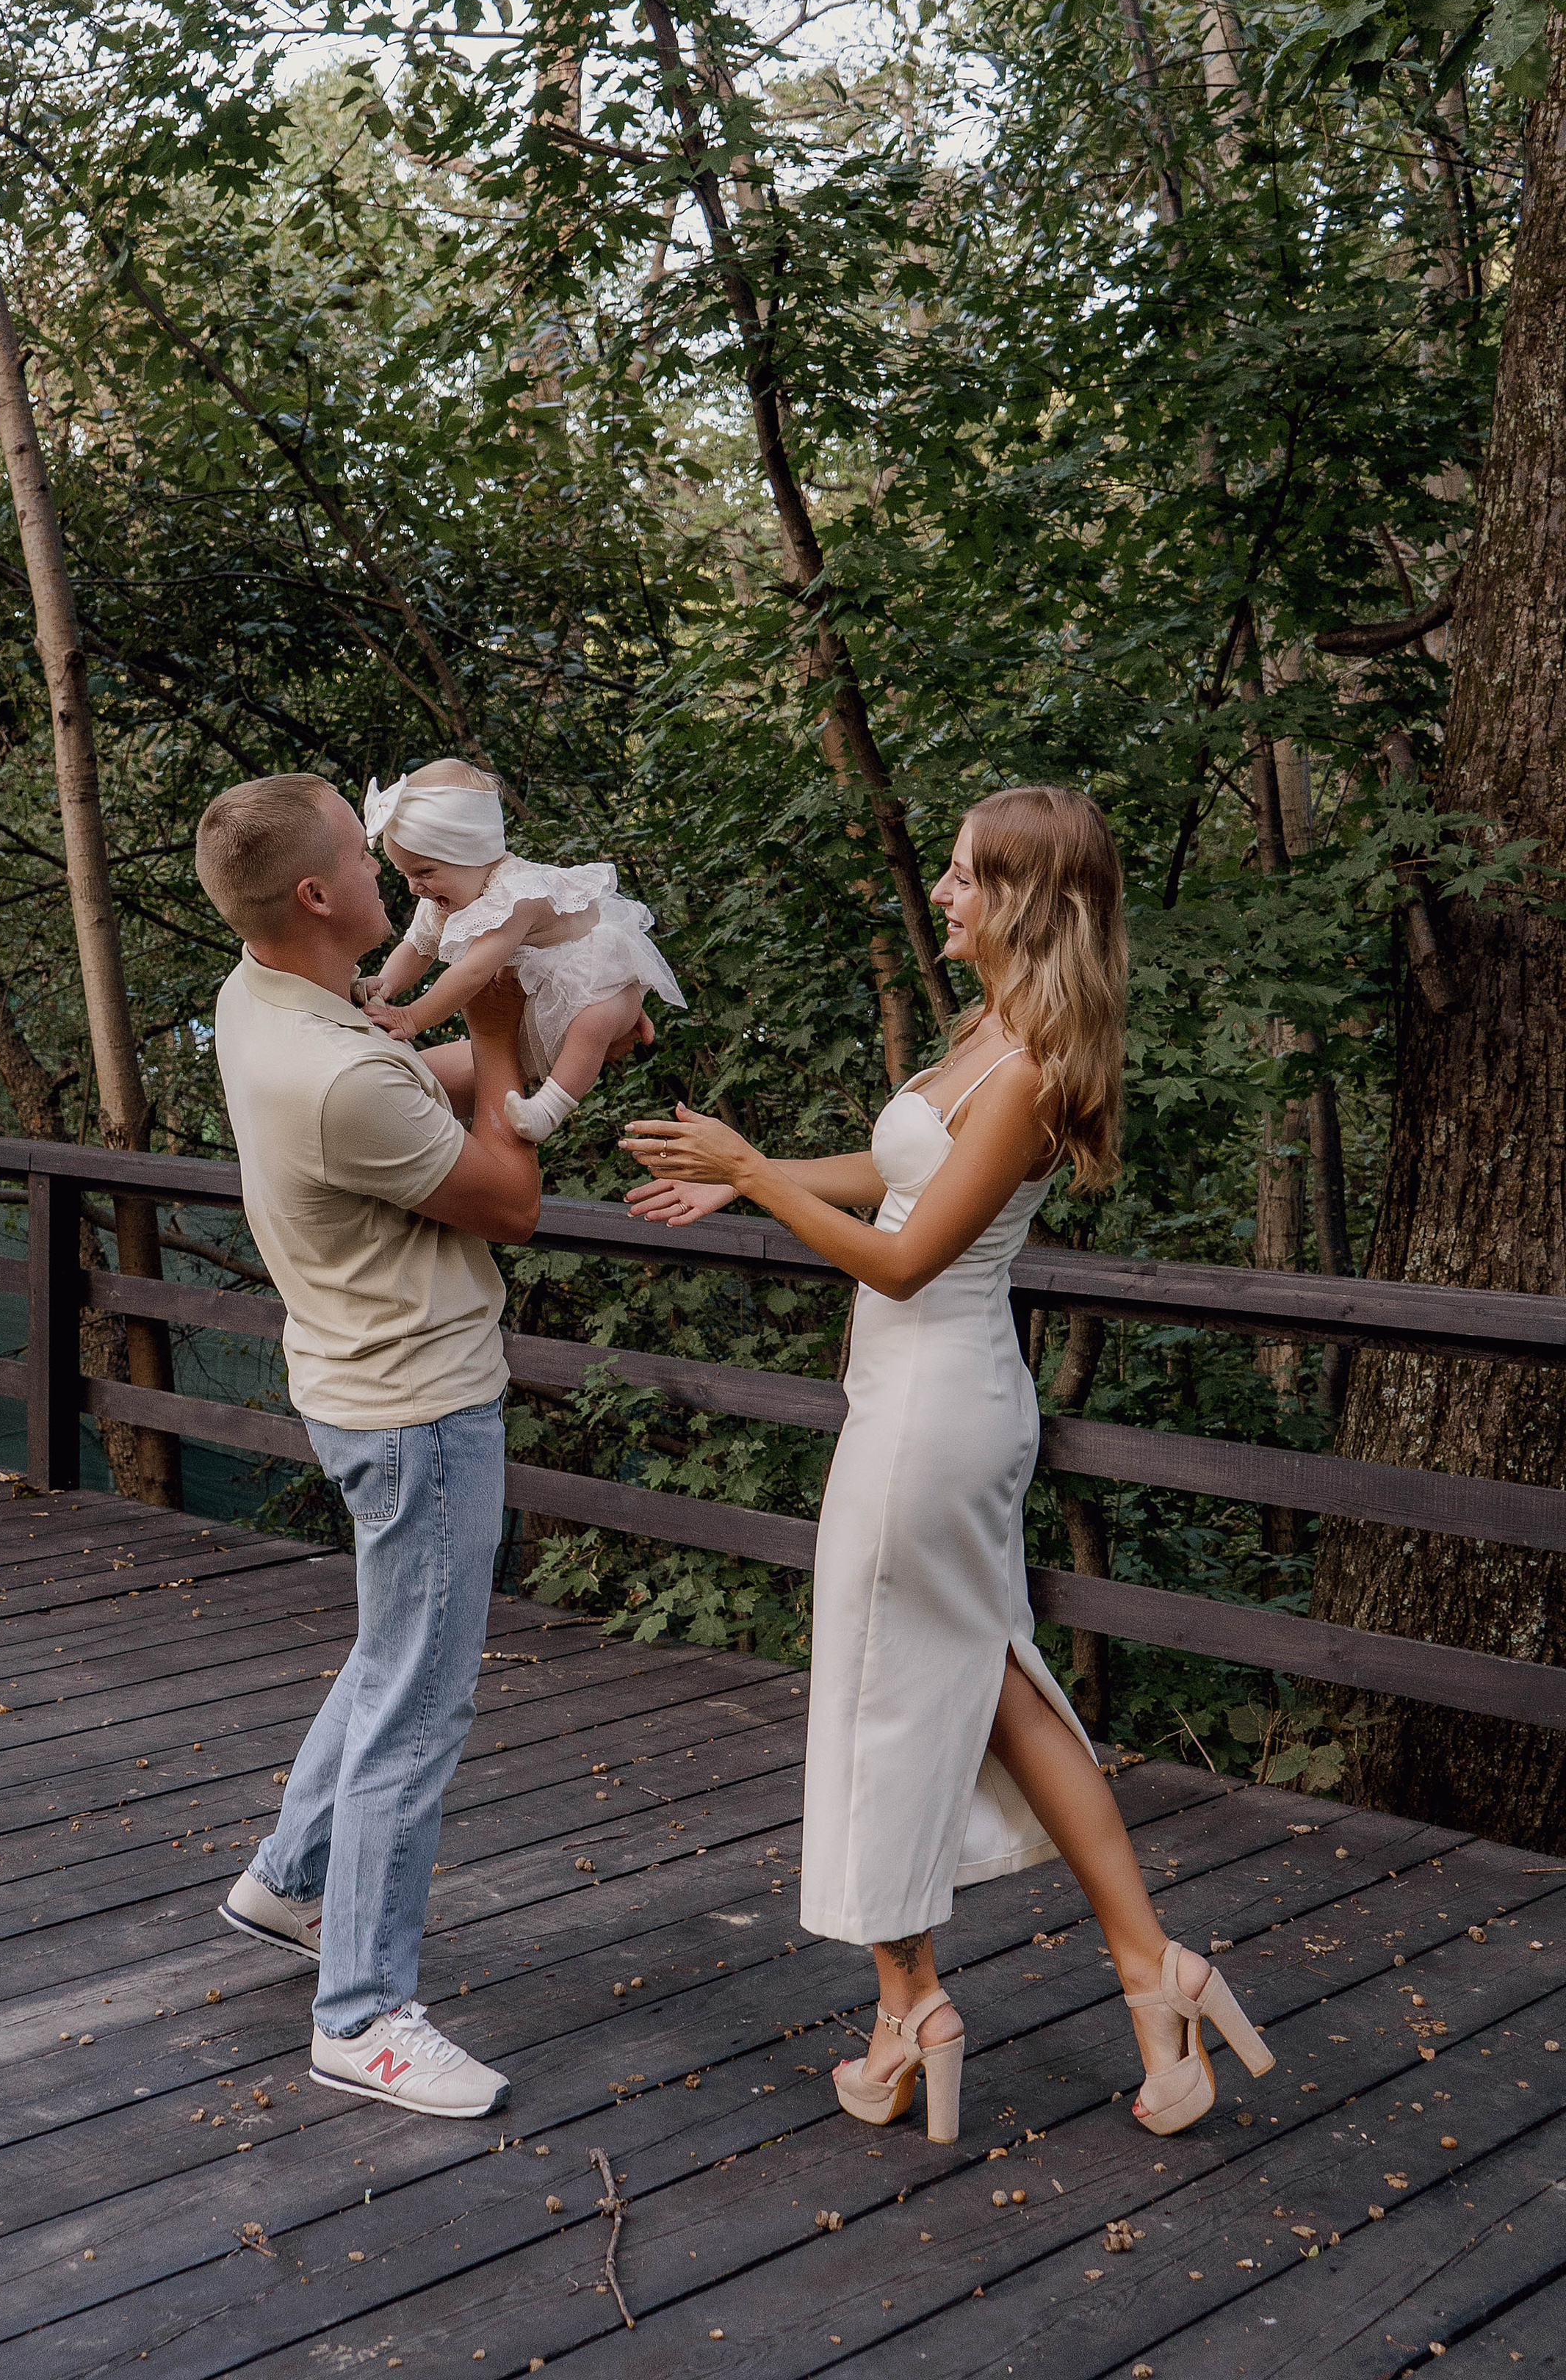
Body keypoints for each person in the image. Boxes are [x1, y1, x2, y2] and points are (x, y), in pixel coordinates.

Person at [620, 785, 1275, 2145]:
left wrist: (751, 1162)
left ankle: (908, 2012)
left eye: (969, 875)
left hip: (935, 1406)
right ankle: (1155, 1977)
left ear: (1029, 898)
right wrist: (752, 1178)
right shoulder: (993, 1035)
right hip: (931, 1401)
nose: (944, 893)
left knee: (882, 1693)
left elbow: (908, 1261)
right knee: (989, 1685)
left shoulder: (1032, 1070)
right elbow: (900, 1170)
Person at [195, 771, 541, 2119]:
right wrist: (511, 1038)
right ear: (319, 895)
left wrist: (518, 1038)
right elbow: (509, 1197)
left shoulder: (263, 998)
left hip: (353, 1384)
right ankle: (364, 2013)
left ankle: (288, 1880)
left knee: (391, 1653)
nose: (386, 856)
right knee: (419, 1704)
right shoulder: (336, 1071)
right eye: (360, 845)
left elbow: (410, 1073)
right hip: (422, 1407)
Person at [358, 757, 684, 1145]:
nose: (414, 888)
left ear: (472, 852)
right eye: (405, 874)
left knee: (593, 1023)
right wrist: (383, 987)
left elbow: (474, 972)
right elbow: (417, 947)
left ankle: (548, 1109)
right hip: (534, 996)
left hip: (600, 979)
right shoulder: (447, 895)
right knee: (499, 1054)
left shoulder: (517, 896)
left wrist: (411, 1017)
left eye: (425, 872)